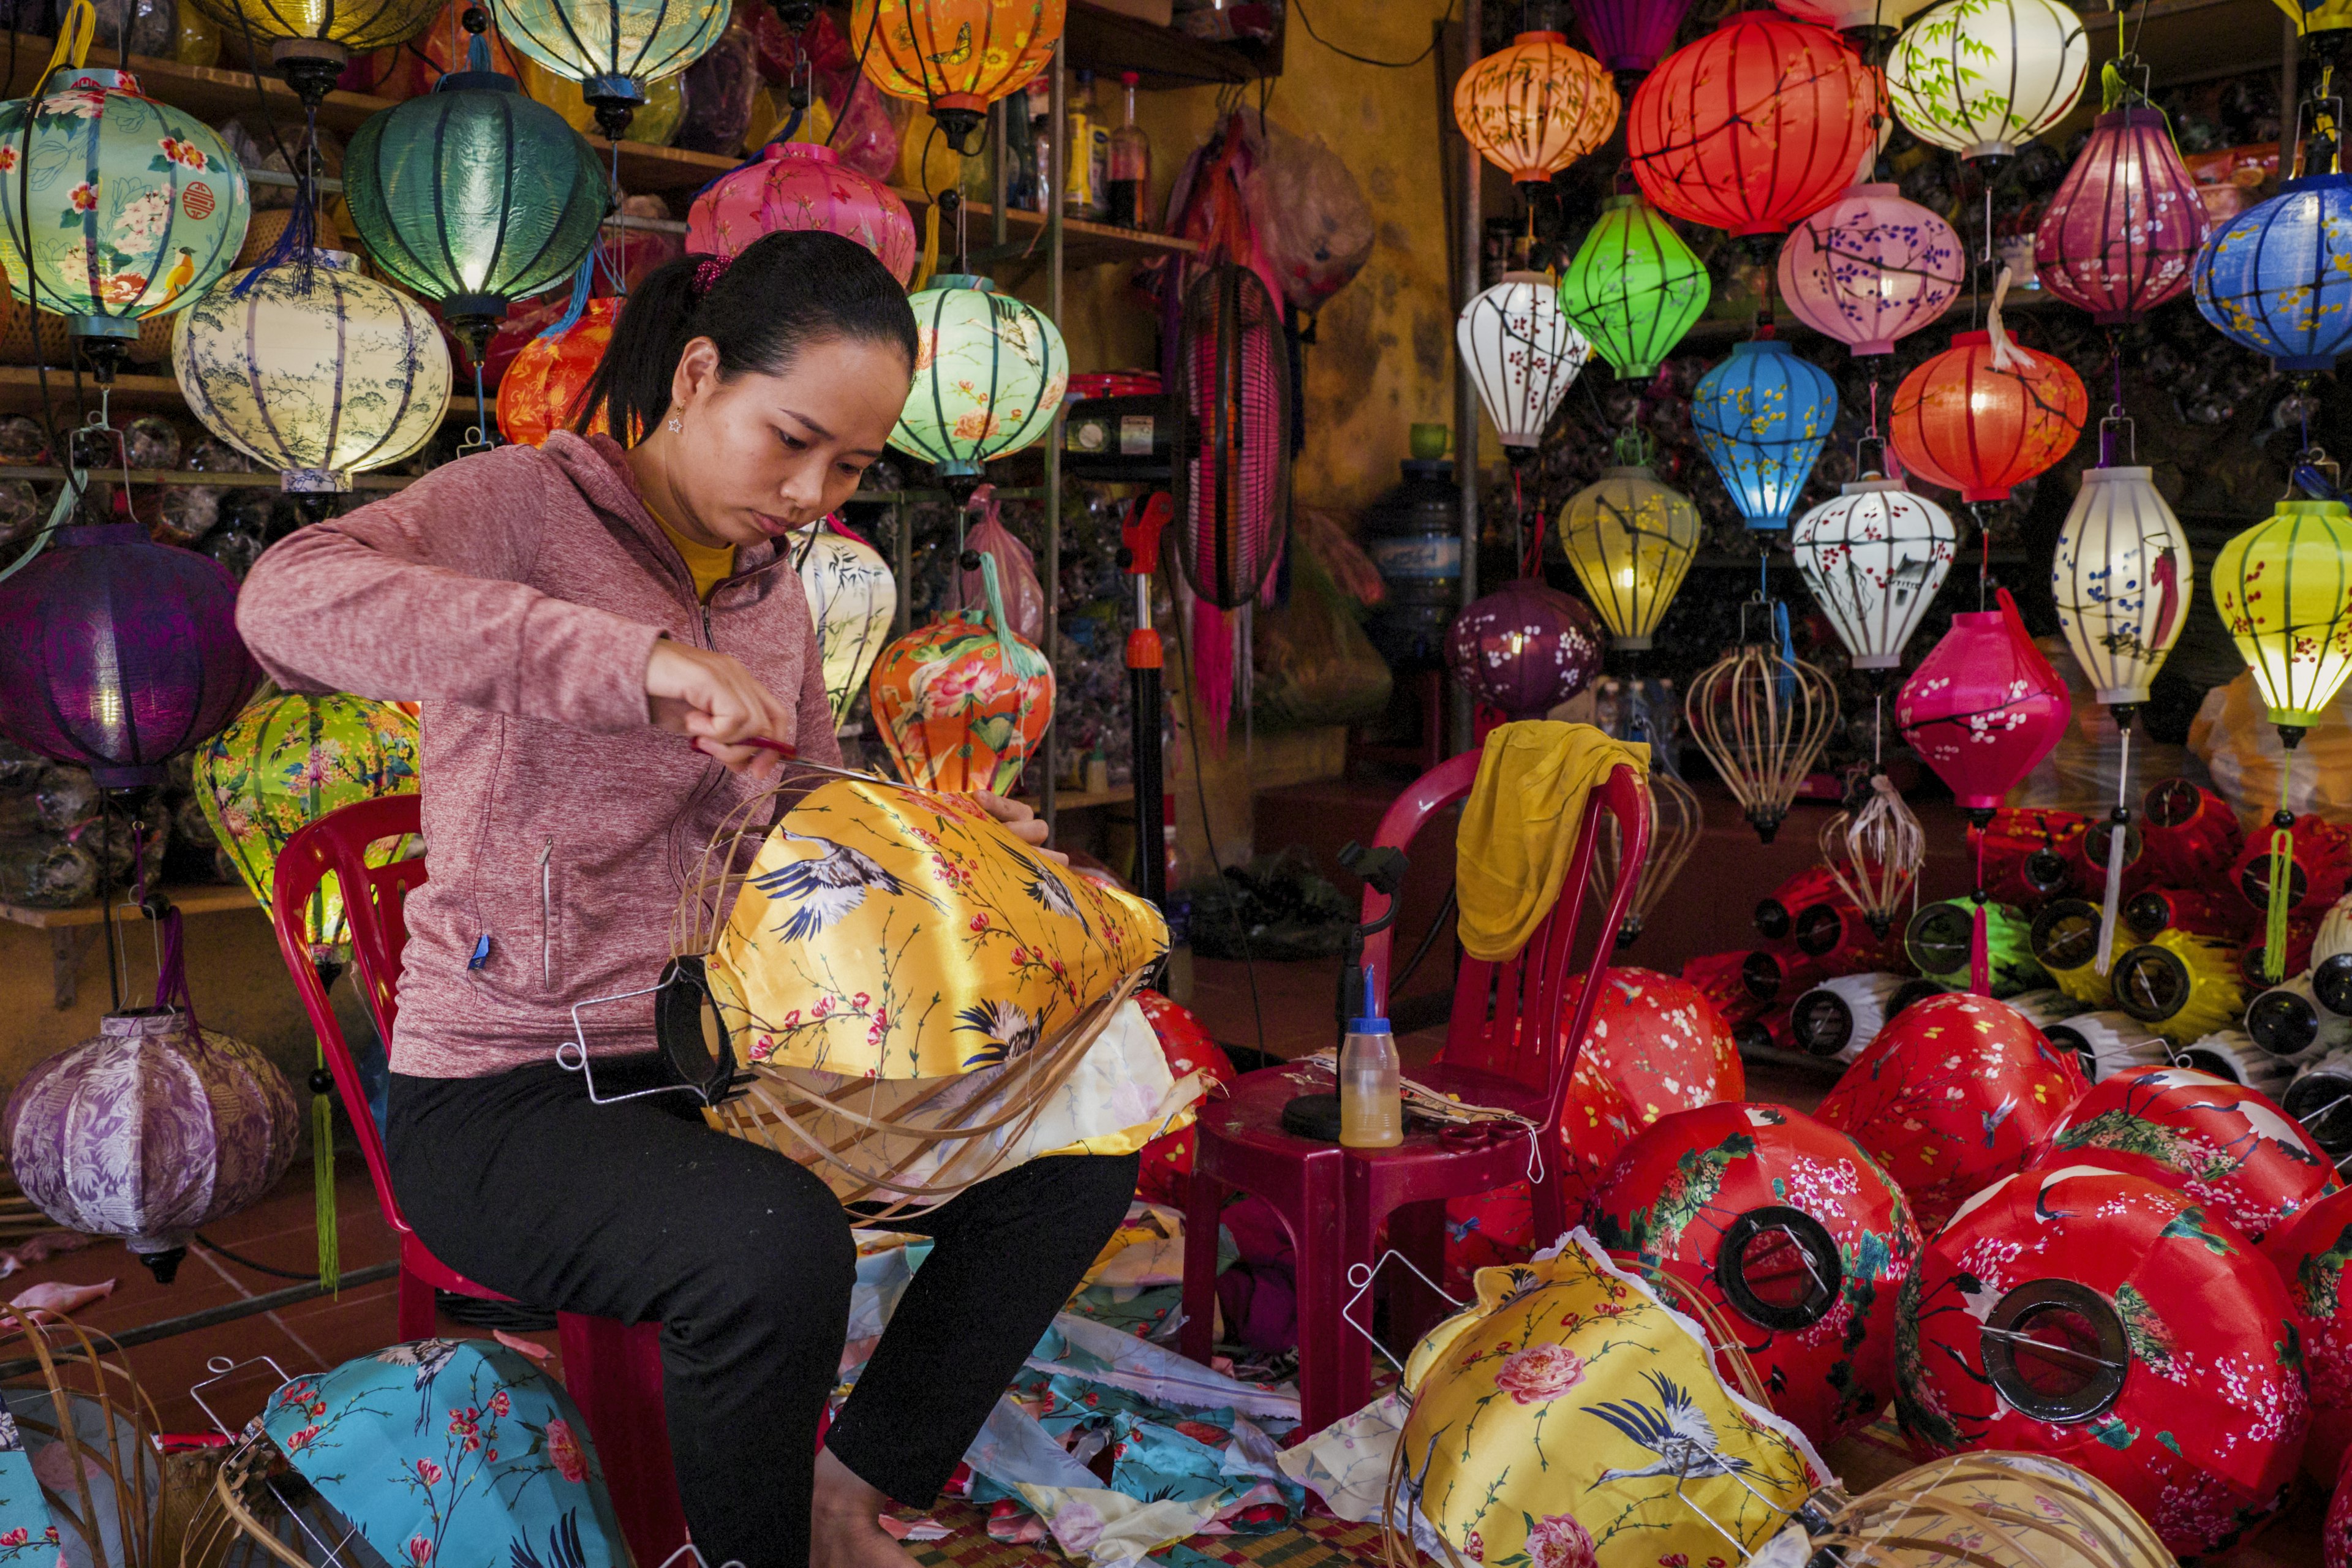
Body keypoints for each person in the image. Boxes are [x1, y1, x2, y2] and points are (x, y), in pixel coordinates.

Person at [235, 230, 1140, 1568]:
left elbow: (801, 811)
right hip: (505, 1089)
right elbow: (284, 599)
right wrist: (634, 660)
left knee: (1074, 1156)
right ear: (699, 371)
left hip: (723, 1061)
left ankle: (853, 1483)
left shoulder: (775, 583)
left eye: (849, 467)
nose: (811, 492)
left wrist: (933, 837)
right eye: (789, 440)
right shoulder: (519, 507)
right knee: (773, 1246)